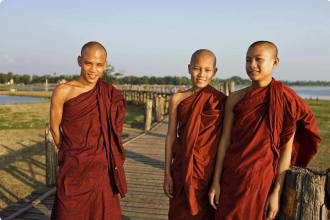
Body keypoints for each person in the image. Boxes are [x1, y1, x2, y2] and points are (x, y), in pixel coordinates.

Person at [208, 41, 321, 220]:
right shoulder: (235, 99)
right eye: (248, 60)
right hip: (231, 177)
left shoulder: (285, 99)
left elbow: (285, 150)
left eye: (258, 59)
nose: (252, 65)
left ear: (275, 62)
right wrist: (216, 182)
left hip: (262, 181)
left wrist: (276, 192)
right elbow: (225, 142)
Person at [50, 41, 126, 220]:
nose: (93, 69)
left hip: (102, 169)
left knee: (102, 213)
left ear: (105, 65)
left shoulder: (109, 94)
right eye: (88, 63)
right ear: (79, 61)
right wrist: (70, 151)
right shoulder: (64, 91)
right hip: (73, 165)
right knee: (67, 212)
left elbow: (114, 132)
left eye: (99, 65)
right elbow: (54, 128)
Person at [164, 49, 227, 220]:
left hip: (207, 171)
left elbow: (223, 143)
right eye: (197, 68)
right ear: (189, 68)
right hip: (180, 168)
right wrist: (167, 173)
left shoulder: (221, 101)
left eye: (207, 70)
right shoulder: (178, 98)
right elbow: (170, 136)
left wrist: (217, 180)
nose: (201, 74)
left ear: (214, 72)